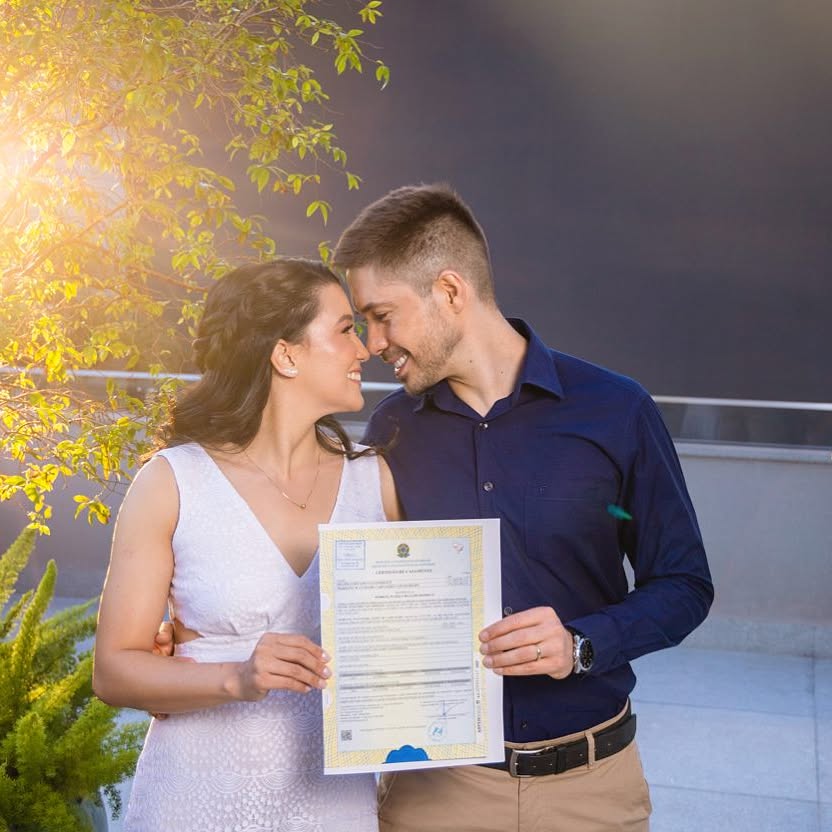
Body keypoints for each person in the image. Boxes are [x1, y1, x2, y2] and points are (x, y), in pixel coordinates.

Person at [330, 183, 715, 832]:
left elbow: (684, 584)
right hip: (436, 795)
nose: (371, 342)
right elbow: (357, 591)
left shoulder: (616, 410)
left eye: (381, 314)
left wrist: (581, 644)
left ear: (450, 292)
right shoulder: (391, 432)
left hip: (592, 792)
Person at [93, 258, 400, 832]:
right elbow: (113, 671)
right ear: (285, 355)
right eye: (344, 330)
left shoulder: (374, 479)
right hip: (193, 800)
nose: (365, 350)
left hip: (334, 806)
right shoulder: (172, 481)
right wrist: (237, 677)